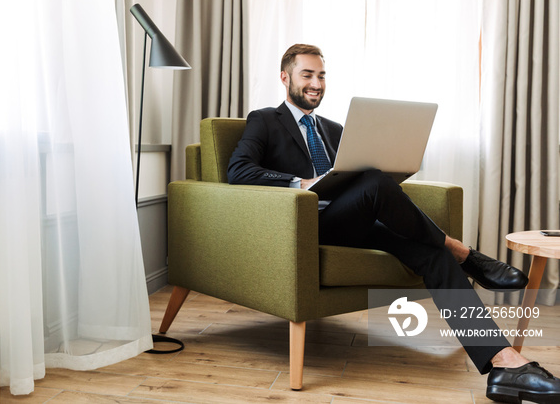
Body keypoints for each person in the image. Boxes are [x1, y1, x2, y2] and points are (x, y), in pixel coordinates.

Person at [227, 43, 560, 403]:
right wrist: (302, 183)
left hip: (352, 220)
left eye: (321, 75)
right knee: (375, 182)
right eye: (307, 74)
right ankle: (463, 251)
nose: (316, 83)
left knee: (430, 253)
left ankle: (503, 364)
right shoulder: (264, 119)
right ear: (285, 77)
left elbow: (356, 182)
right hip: (305, 222)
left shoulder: (333, 128)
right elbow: (239, 170)